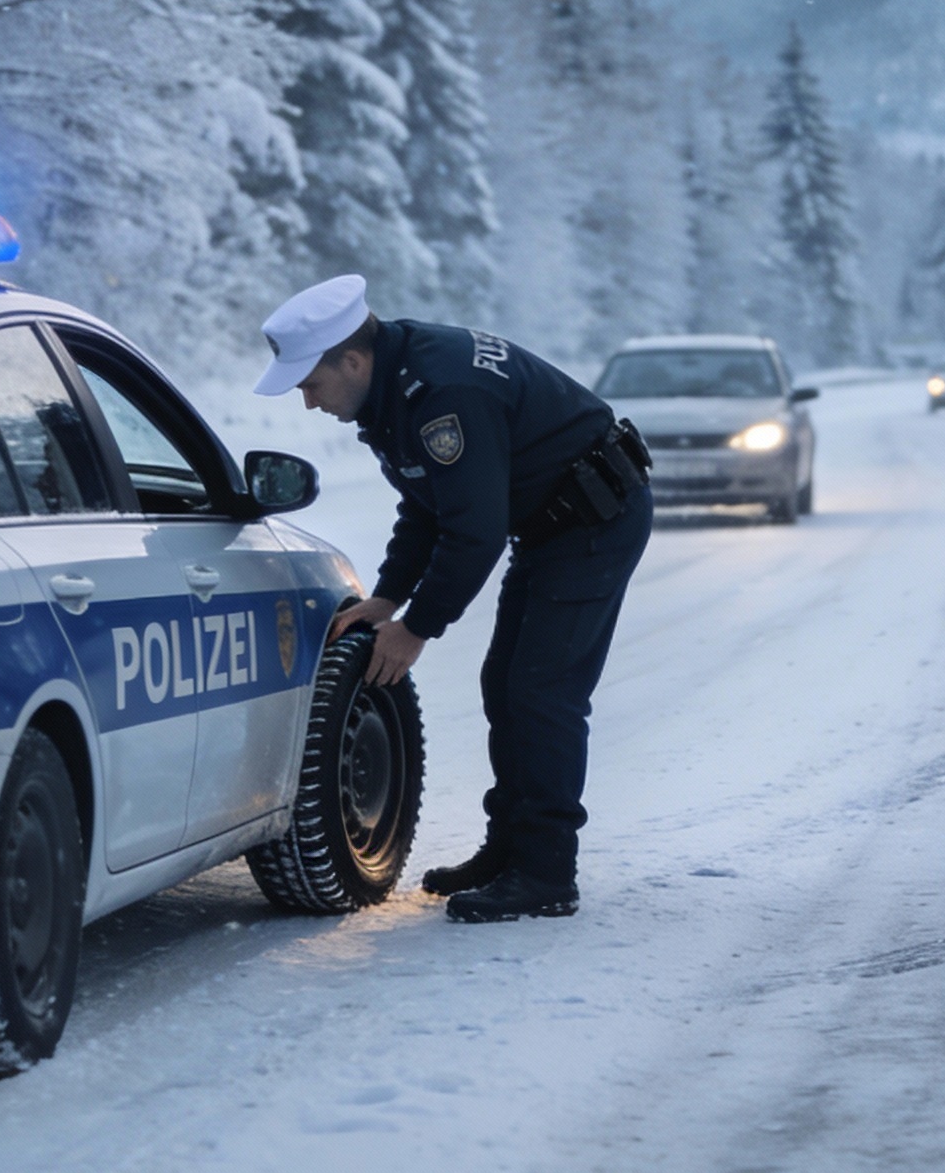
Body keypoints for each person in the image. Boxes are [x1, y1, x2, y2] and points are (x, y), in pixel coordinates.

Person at [253, 274, 652, 923]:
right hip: (551, 520)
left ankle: (547, 872)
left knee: (541, 692)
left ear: (351, 360)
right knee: (506, 684)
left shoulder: (443, 395)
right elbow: (428, 504)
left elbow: (473, 528)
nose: (307, 401)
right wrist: (386, 599)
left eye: (310, 383)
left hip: (594, 519)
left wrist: (418, 627)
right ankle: (510, 850)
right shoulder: (394, 389)